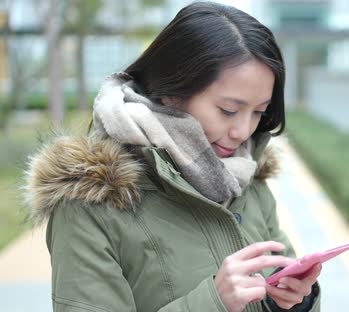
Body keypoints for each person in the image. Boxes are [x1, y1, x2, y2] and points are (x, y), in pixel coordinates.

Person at [23, 2, 321, 311]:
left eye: (259, 111)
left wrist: (297, 300)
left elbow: (282, 277)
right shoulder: (92, 201)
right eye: (228, 110)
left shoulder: (247, 176)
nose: (242, 131)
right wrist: (213, 302)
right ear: (172, 91)